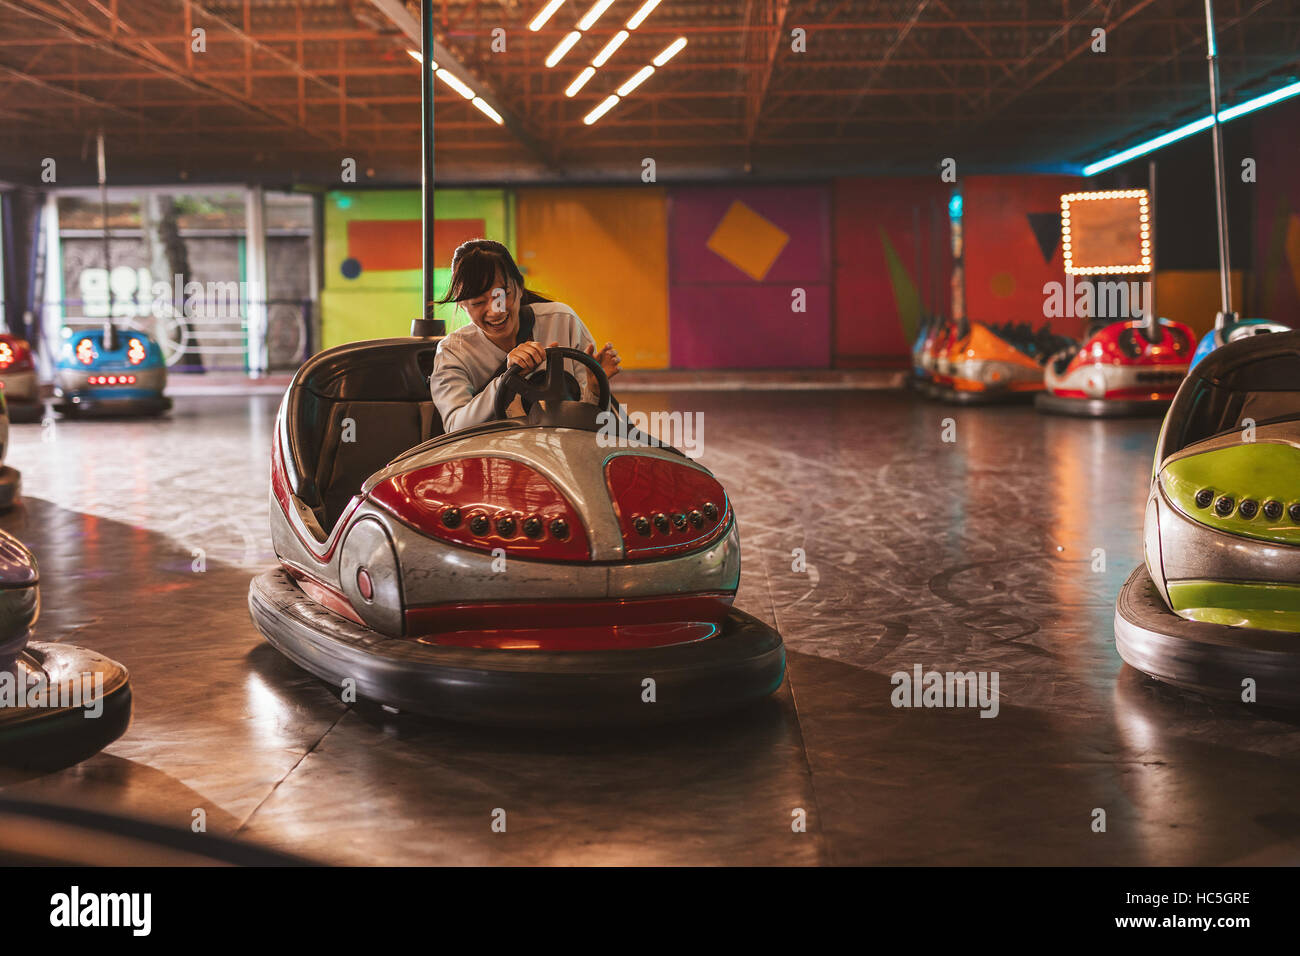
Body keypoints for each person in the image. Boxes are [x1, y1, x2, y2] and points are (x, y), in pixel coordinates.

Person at [431, 239, 621, 432]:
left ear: (520, 288)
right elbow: (456, 427)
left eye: (502, 295)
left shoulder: (561, 321)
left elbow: (592, 426)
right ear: (462, 305)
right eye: (479, 303)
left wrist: (595, 390)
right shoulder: (453, 352)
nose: (496, 311)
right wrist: (505, 381)